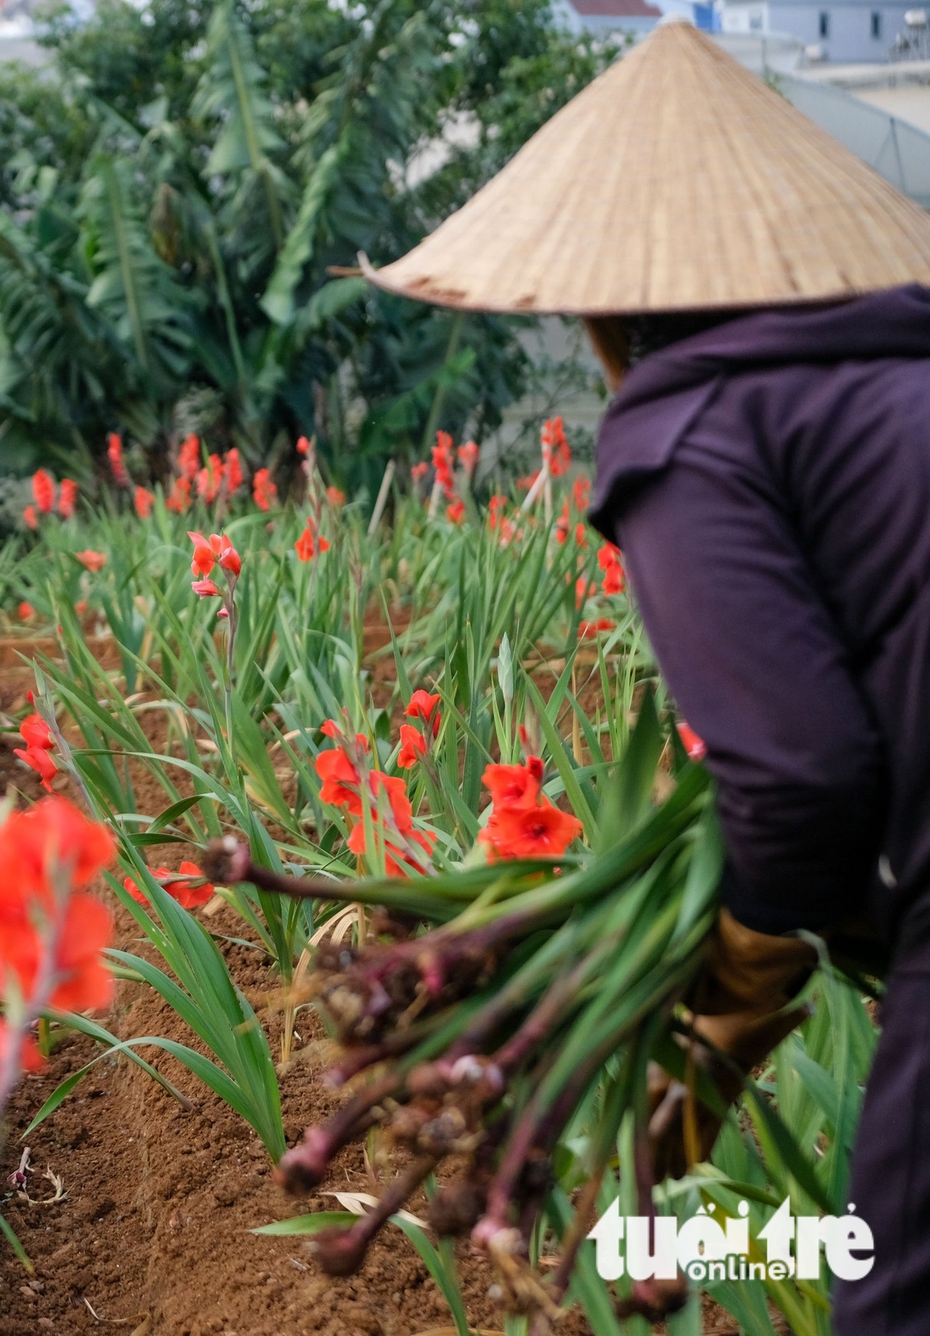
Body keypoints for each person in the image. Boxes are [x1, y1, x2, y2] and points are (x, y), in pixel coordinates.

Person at [367, 20, 930, 1329]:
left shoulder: (695, 424)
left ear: (602, 298)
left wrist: (736, 975)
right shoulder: (886, 386)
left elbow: (800, 775)